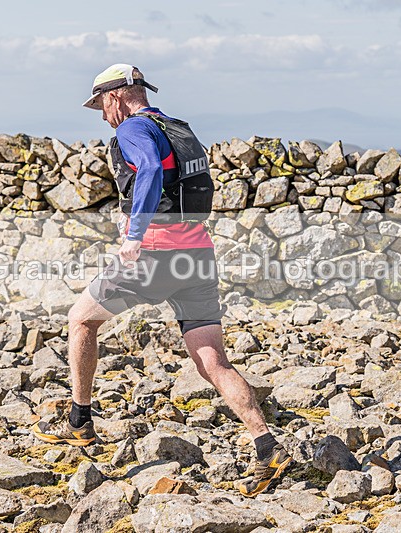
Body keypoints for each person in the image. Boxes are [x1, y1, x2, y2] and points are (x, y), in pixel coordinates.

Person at [32, 64, 292, 496]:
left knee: (80, 320)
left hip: (154, 256)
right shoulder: (176, 128)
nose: (101, 115)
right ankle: (267, 446)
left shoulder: (133, 129)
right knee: (213, 363)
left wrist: (134, 234)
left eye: (100, 104)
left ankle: (79, 422)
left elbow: (150, 169)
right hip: (197, 256)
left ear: (117, 96)